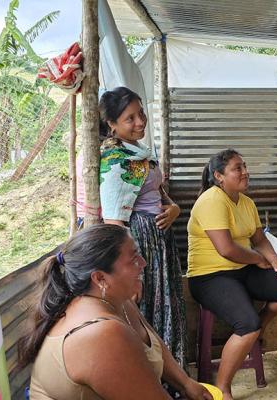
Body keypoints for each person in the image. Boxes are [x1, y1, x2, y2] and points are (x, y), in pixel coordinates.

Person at [18, 224, 212, 400]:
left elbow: (153, 344)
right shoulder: (101, 334)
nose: (143, 263)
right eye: (133, 259)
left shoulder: (118, 301)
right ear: (100, 278)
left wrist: (186, 384)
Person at [187, 149, 277, 400]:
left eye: (245, 166)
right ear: (218, 176)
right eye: (237, 168)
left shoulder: (246, 201)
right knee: (247, 324)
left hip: (241, 270)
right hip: (210, 276)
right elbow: (226, 249)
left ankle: (253, 336)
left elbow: (258, 238)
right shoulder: (212, 200)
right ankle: (223, 388)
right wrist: (259, 260)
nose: (245, 172)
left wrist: (274, 259)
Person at [98, 87, 187, 367]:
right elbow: (114, 222)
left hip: (158, 238)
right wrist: (128, 271)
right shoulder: (116, 161)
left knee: (165, 305)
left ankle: (174, 378)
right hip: (138, 242)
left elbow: (156, 191)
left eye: (141, 114)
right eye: (130, 118)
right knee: (146, 309)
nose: (140, 122)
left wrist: (174, 208)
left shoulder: (139, 152)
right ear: (111, 125)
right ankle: (154, 379)